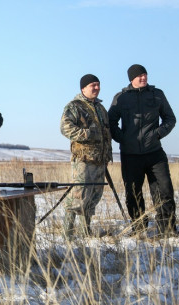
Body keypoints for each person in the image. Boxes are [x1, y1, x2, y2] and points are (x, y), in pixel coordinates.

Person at [108, 64, 178, 237]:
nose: (143, 78)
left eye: (145, 75)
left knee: (164, 189)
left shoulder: (157, 94)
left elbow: (170, 118)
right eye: (139, 76)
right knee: (133, 193)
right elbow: (110, 122)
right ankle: (139, 228)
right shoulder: (121, 98)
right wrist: (122, 138)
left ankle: (167, 228)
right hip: (130, 155)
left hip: (155, 153)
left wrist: (158, 134)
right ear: (131, 79)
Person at [60, 74, 112, 240]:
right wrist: (88, 134)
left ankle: (85, 232)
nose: (96, 88)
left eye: (98, 85)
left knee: (93, 198)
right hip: (83, 160)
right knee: (78, 198)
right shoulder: (75, 106)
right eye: (92, 85)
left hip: (99, 160)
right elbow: (65, 128)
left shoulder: (101, 109)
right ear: (83, 88)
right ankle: (67, 234)